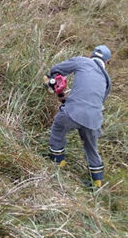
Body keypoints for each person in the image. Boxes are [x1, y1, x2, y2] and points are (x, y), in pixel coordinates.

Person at [45, 45, 111, 188]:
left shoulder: (82, 61)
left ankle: (57, 165)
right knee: (91, 148)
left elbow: (56, 69)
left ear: (90, 55)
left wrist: (53, 80)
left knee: (58, 129)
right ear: (106, 63)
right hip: (93, 120)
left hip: (72, 113)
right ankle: (97, 182)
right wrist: (66, 98)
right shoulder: (107, 82)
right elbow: (93, 103)